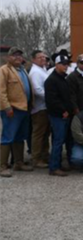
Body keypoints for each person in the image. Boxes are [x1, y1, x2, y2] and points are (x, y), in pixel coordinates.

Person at [0, 47, 34, 177]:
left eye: (19, 55)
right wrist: (7, 107)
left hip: (24, 109)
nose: (18, 57)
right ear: (8, 58)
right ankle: (2, 166)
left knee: (20, 136)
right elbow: (1, 91)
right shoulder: (4, 70)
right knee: (7, 137)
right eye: (14, 55)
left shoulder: (22, 70)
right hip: (12, 110)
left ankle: (18, 162)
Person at [44, 54, 74, 177]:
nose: (66, 66)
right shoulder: (51, 80)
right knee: (58, 141)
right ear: (56, 65)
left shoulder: (62, 78)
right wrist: (63, 110)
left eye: (67, 64)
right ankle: (54, 167)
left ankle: (58, 164)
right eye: (63, 64)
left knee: (62, 140)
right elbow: (52, 100)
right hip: (58, 115)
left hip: (65, 115)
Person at [28, 49, 50, 168]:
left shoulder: (43, 70)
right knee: (38, 134)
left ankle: (44, 155)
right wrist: (51, 97)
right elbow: (37, 90)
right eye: (39, 57)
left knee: (45, 133)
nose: (43, 59)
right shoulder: (36, 72)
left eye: (44, 57)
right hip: (40, 108)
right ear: (33, 59)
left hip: (45, 107)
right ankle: (36, 158)